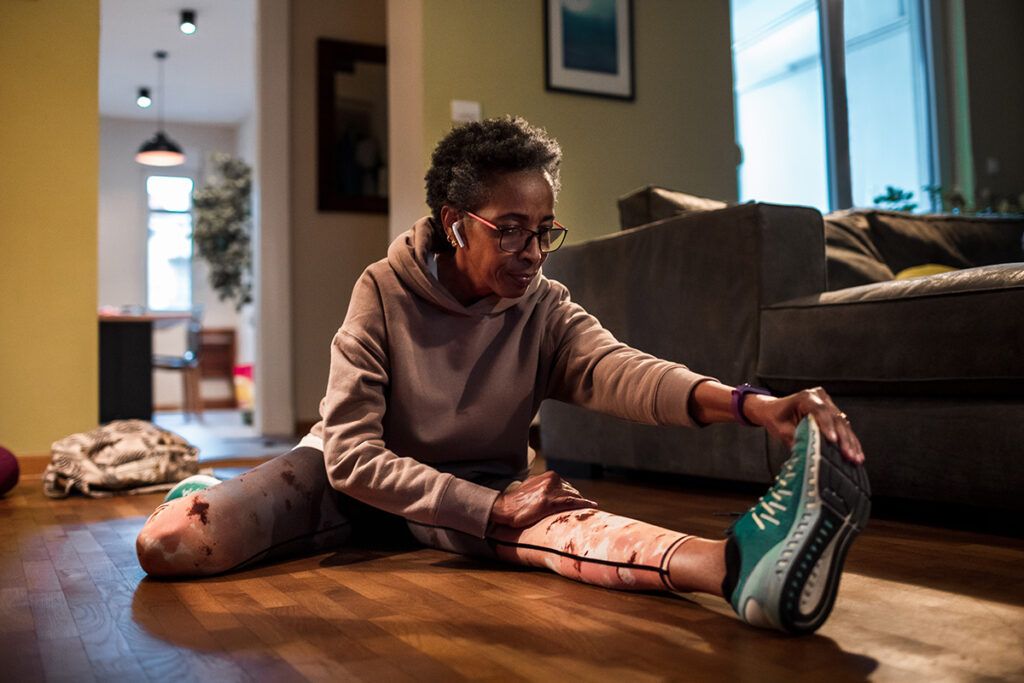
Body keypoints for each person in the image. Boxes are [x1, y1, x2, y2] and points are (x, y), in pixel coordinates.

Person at [136, 116, 870, 635]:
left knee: (577, 526)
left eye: (545, 227)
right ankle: (208, 492)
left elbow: (623, 371)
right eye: (510, 228)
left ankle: (741, 569)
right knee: (169, 545)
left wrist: (751, 405)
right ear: (455, 223)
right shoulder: (381, 291)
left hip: (476, 488)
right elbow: (355, 456)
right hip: (346, 482)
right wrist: (487, 511)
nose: (534, 249)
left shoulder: (544, 307)